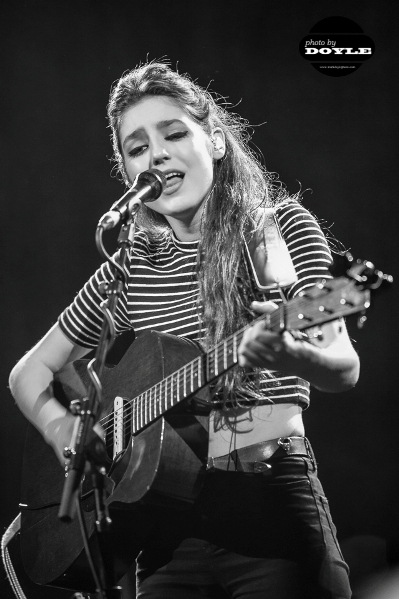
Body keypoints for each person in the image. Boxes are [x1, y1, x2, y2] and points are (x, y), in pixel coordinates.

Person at [9, 61, 360, 598]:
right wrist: (67, 434)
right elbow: (28, 374)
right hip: (162, 533)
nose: (157, 154)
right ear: (129, 176)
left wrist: (291, 357)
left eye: (174, 134)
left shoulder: (275, 229)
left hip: (269, 512)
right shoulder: (128, 266)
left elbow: (343, 367)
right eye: (137, 148)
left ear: (216, 143)